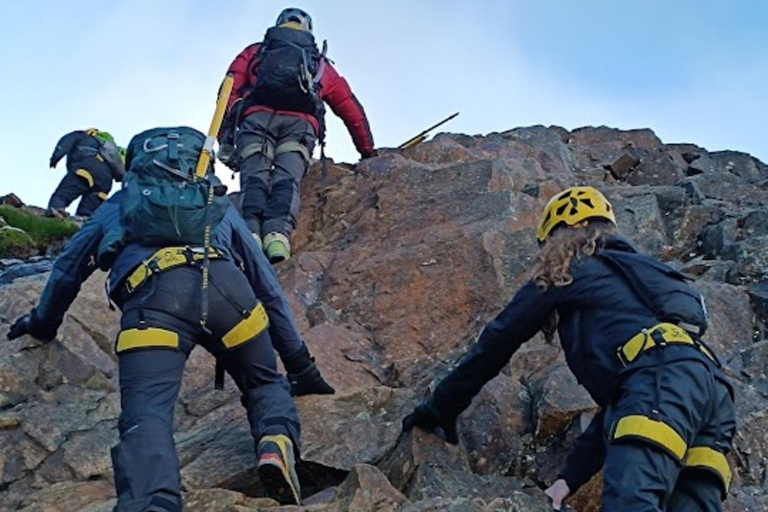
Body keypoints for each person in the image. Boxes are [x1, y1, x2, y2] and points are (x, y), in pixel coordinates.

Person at [8, 128, 337, 510]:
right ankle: (274, 442)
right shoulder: (215, 204)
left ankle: (152, 502)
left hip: (154, 301)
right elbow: (267, 288)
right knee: (264, 383)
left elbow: (68, 270)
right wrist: (300, 365)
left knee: (146, 413)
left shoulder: (119, 204)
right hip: (229, 297)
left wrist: (43, 323)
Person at [402, 186, 736, 512]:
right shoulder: (635, 282)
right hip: (712, 394)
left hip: (661, 381)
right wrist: (567, 481)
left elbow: (497, 341)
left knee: (631, 503)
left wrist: (440, 407)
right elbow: (626, 403)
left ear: (558, 236)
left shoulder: (572, 268)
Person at [218, 7, 376, 263]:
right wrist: (367, 150)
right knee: (286, 178)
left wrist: (224, 134)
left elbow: (228, 89)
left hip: (255, 120)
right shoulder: (319, 63)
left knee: (255, 176)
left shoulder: (256, 51)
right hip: (300, 126)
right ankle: (277, 237)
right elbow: (351, 110)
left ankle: (251, 235)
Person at [48, 128, 125, 218]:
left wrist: (55, 157)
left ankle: (56, 210)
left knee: (65, 192)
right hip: (106, 179)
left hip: (87, 167)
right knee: (91, 204)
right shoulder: (108, 151)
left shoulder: (81, 134)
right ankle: (84, 220)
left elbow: (65, 142)